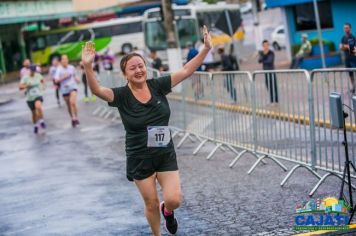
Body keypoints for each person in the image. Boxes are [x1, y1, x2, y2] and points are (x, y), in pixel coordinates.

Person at [81, 25, 213, 236]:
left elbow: (187, 70)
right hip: (139, 156)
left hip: (164, 152)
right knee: (150, 202)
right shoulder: (121, 96)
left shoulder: (158, 85)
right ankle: (157, 234)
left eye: (140, 66)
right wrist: (88, 66)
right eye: (132, 68)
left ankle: (167, 211)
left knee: (174, 199)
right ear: (125, 74)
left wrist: (205, 49)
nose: (138, 70)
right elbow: (97, 90)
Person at [19, 64, 46, 134]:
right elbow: (20, 87)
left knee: (38, 106)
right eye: (32, 71)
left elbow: (42, 80)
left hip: (38, 95)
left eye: (34, 71)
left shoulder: (38, 75)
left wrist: (43, 86)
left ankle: (41, 121)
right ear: (29, 70)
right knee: (34, 113)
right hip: (30, 98)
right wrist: (27, 85)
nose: (33, 72)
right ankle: (36, 125)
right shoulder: (25, 78)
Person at [55, 55, 81, 127]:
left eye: (66, 59)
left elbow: (75, 75)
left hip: (73, 87)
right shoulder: (59, 69)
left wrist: (77, 79)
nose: (65, 60)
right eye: (63, 59)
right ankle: (72, 118)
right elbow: (56, 80)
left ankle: (76, 117)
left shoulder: (71, 67)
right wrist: (63, 77)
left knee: (72, 102)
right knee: (69, 105)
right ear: (61, 61)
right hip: (64, 89)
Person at [340, 23, 356, 94]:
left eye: (347, 28)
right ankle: (353, 87)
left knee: (354, 72)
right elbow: (341, 47)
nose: (346, 29)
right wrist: (345, 46)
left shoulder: (352, 37)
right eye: (344, 28)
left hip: (353, 58)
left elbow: (352, 48)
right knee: (350, 74)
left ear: (350, 28)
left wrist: (344, 46)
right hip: (347, 58)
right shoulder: (343, 38)